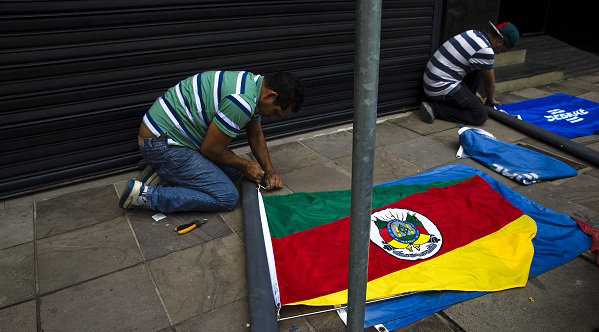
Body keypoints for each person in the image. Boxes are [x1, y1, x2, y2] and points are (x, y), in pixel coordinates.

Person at [118, 70, 304, 213]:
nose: (272, 117)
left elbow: (255, 135)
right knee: (227, 197)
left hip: (172, 137)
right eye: (275, 112)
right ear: (270, 96)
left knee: (233, 172)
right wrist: (246, 165)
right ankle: (145, 195)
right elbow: (211, 150)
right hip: (161, 144)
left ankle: (164, 173)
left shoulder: (253, 83)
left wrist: (269, 171)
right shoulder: (241, 102)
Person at [419, 21, 520, 125]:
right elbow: (490, 83)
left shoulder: (473, 33)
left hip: (433, 79)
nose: (498, 53)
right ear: (499, 42)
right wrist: (491, 100)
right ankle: (435, 109)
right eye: (502, 50)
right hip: (438, 86)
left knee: (480, 68)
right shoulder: (486, 50)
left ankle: (458, 100)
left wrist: (472, 93)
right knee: (480, 115)